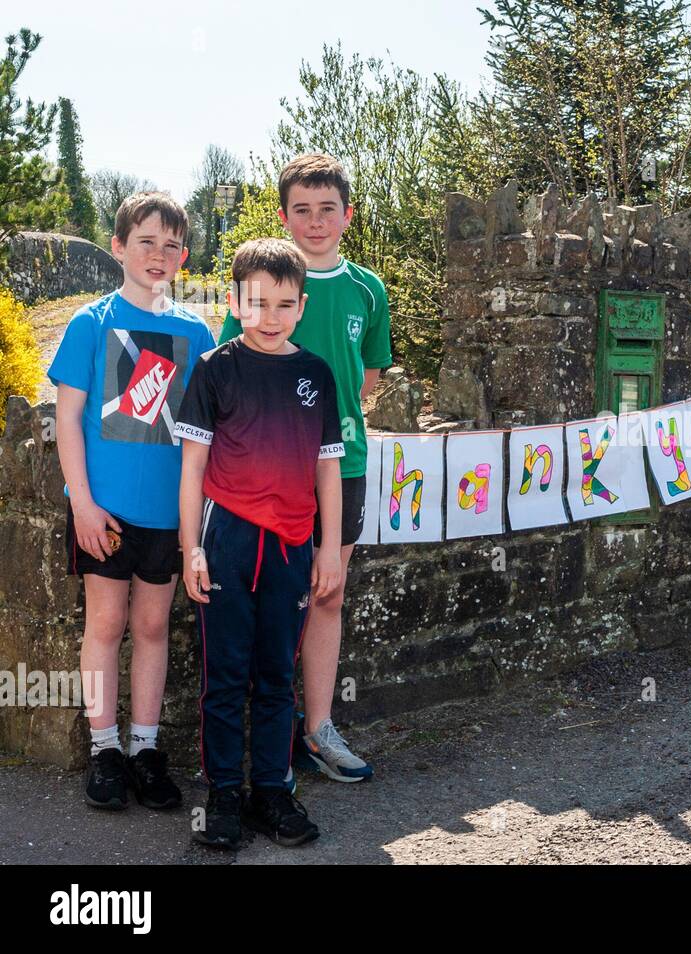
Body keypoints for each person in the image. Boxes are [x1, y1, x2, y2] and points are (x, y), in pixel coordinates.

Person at [217, 153, 390, 782]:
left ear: (346, 215)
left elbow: (366, 380)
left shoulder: (368, 289)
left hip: (341, 465)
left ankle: (317, 729)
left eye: (327, 209)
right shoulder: (263, 287)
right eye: (301, 209)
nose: (315, 221)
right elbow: (232, 370)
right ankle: (269, 739)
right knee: (267, 598)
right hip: (265, 471)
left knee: (327, 591)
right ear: (285, 216)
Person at [48, 192, 214, 811]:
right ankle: (105, 748)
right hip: (104, 511)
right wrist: (83, 504)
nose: (158, 254)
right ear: (118, 247)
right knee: (106, 625)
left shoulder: (197, 332)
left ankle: (145, 749)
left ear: (184, 257)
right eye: (145, 241)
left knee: (151, 627)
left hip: (169, 516)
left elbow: (203, 431)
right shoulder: (90, 323)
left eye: (172, 245)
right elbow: (68, 422)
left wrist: (192, 524)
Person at [177, 238, 344, 849]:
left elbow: (328, 468)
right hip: (227, 540)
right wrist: (190, 549)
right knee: (224, 674)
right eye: (257, 303)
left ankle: (271, 792)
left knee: (276, 673)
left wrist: (328, 548)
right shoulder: (216, 369)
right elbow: (193, 468)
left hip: (292, 546)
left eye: (283, 304)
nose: (270, 317)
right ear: (235, 301)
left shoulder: (316, 375)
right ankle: (224, 793)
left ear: (301, 306)